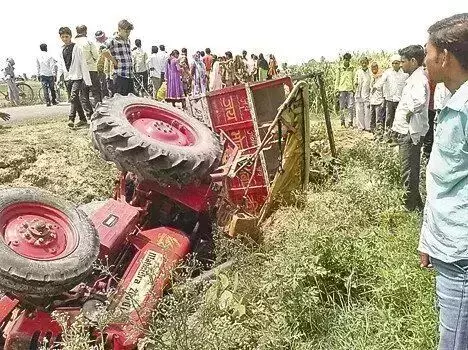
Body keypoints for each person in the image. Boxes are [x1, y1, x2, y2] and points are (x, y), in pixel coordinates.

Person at [418, 13, 468, 350]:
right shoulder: (454, 101)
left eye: (428, 51)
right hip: (447, 248)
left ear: (445, 56)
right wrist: (429, 239)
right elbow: (445, 182)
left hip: (461, 257)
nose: (425, 59)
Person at [391, 45, 429, 212]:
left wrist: (410, 112)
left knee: (408, 170)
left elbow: (419, 101)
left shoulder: (419, 79)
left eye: (403, 61)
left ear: (413, 61)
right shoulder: (415, 78)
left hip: (410, 131)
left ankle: (409, 206)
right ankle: (418, 205)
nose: (401, 64)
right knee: (410, 168)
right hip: (407, 130)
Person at [56, 26, 92, 128]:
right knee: (75, 100)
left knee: (73, 96)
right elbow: (60, 66)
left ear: (70, 36)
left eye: (66, 36)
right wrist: (58, 79)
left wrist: (87, 80)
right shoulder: (61, 50)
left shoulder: (77, 48)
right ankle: (83, 119)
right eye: (62, 37)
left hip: (77, 76)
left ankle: (71, 118)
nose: (64, 39)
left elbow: (83, 64)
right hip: (68, 78)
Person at [102, 19, 134, 96]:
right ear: (119, 29)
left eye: (129, 32)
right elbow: (102, 49)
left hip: (129, 75)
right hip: (120, 75)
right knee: (120, 100)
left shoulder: (128, 40)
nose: (128, 34)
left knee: (130, 100)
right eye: (126, 31)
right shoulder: (113, 40)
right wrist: (113, 60)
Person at [378, 54, 408, 134]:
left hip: (400, 100)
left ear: (400, 63)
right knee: (389, 117)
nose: (395, 65)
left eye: (397, 63)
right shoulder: (388, 72)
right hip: (390, 99)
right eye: (393, 63)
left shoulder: (405, 73)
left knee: (399, 117)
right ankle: (388, 132)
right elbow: (381, 81)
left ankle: (397, 134)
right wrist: (376, 87)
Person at [75, 25, 101, 108]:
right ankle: (99, 111)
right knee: (96, 92)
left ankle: (89, 114)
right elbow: (96, 56)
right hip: (91, 69)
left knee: (83, 94)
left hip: (79, 71)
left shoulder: (73, 43)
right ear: (85, 31)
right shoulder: (89, 41)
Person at [335, 53, 355, 127]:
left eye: (348, 60)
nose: (347, 61)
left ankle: (350, 122)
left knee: (350, 106)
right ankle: (342, 121)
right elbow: (337, 80)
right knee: (342, 106)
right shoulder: (340, 69)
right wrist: (336, 90)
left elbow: (353, 79)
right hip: (342, 89)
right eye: (346, 59)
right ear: (343, 59)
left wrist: (354, 89)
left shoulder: (352, 69)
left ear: (350, 60)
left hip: (350, 89)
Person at [354, 57, 372, 131]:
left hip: (367, 93)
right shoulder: (358, 72)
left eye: (365, 62)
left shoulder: (370, 72)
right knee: (359, 110)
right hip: (359, 93)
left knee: (367, 111)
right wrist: (355, 84)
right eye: (362, 63)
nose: (364, 64)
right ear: (360, 63)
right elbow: (355, 81)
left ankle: (368, 127)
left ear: (367, 63)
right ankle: (360, 126)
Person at [95, 30, 113, 97]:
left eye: (101, 38)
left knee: (111, 86)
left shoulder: (110, 42)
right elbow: (99, 59)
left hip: (112, 68)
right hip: (103, 69)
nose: (100, 40)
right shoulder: (98, 45)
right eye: (98, 39)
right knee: (104, 86)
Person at [369, 62, 385, 133]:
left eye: (375, 67)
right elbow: (371, 90)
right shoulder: (372, 77)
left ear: (378, 68)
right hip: (372, 101)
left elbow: (383, 90)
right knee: (372, 117)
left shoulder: (381, 78)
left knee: (378, 118)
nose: (374, 69)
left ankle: (379, 132)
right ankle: (373, 131)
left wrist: (383, 101)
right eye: (372, 68)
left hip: (379, 100)